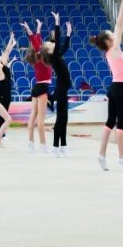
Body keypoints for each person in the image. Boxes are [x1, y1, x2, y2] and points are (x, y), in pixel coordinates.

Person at [93, 0, 123, 172]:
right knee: (121, 126)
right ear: (109, 41)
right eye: (112, 35)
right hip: (121, 88)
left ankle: (101, 155)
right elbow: (119, 27)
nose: (115, 35)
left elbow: (118, 28)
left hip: (116, 87)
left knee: (110, 122)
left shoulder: (111, 51)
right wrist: (122, 8)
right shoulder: (114, 49)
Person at [21, 19, 53, 154]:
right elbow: (36, 43)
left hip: (36, 88)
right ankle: (43, 145)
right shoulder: (41, 58)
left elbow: (37, 42)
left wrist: (38, 28)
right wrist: (29, 30)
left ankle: (30, 143)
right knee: (40, 118)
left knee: (33, 116)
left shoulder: (38, 58)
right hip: (42, 88)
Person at [46, 13, 72, 156]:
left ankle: (63, 146)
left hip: (63, 90)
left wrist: (68, 34)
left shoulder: (58, 55)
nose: (53, 44)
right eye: (51, 44)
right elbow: (56, 41)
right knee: (61, 119)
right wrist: (57, 22)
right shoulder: (53, 56)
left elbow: (65, 46)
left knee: (64, 118)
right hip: (61, 90)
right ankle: (56, 146)